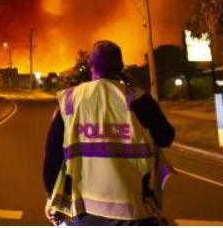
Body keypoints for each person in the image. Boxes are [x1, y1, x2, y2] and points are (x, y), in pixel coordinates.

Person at [43, 40, 175, 226]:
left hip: (86, 213)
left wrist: (51, 197)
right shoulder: (139, 99)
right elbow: (165, 137)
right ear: (121, 67)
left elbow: (52, 157)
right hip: (135, 213)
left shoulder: (70, 100)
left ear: (92, 67)